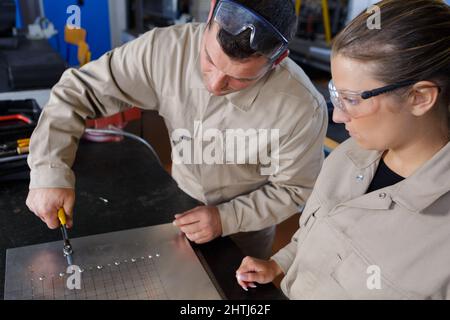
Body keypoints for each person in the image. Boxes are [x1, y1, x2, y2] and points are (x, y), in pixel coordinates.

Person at [25, 0, 328, 259]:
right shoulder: (165, 50)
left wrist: (226, 219)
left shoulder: (302, 107)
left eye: (240, 79)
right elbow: (77, 90)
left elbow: (294, 188)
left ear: (278, 61)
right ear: (210, 13)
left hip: (248, 228)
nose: (214, 85)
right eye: (209, 59)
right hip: (179, 202)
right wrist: (48, 170)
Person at [236, 0, 450, 299]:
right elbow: (316, 234)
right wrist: (280, 263)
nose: (337, 116)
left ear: (419, 97)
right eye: (336, 94)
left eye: (351, 99)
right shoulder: (348, 156)